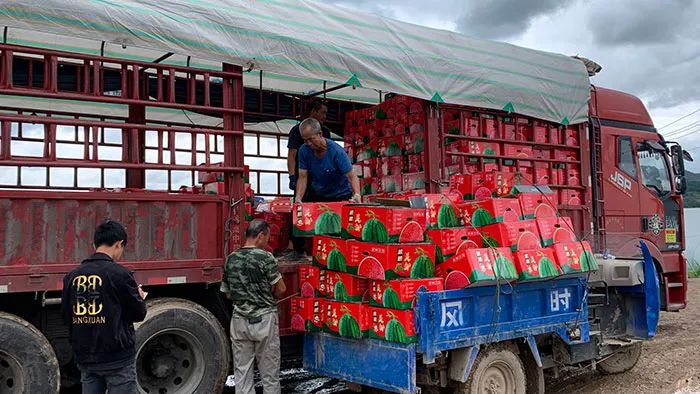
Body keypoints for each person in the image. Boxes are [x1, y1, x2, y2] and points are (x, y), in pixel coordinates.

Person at [61, 220, 147, 394]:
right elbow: (138, 314)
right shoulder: (120, 274)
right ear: (119, 244)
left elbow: (66, 316)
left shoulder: (72, 276)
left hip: (86, 359)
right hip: (117, 359)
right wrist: (139, 298)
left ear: (94, 244)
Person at [220, 219, 287, 394]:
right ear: (260, 236)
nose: (268, 242)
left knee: (242, 374)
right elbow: (281, 289)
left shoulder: (231, 259)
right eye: (267, 238)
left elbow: (227, 293)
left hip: (239, 322)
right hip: (264, 321)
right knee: (269, 375)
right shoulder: (265, 258)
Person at [296, 117, 361, 203]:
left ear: (320, 134)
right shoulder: (303, 151)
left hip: (340, 195)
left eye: (311, 139)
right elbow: (302, 177)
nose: (308, 143)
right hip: (318, 195)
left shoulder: (337, 152)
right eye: (305, 140)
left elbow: (351, 176)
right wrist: (298, 197)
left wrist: (357, 194)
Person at [287, 100, 332, 194]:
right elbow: (292, 155)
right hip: (303, 178)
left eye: (326, 113)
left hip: (321, 179)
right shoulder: (297, 130)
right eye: (322, 113)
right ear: (313, 112)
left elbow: (328, 154)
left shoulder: (325, 131)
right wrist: (292, 177)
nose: (325, 117)